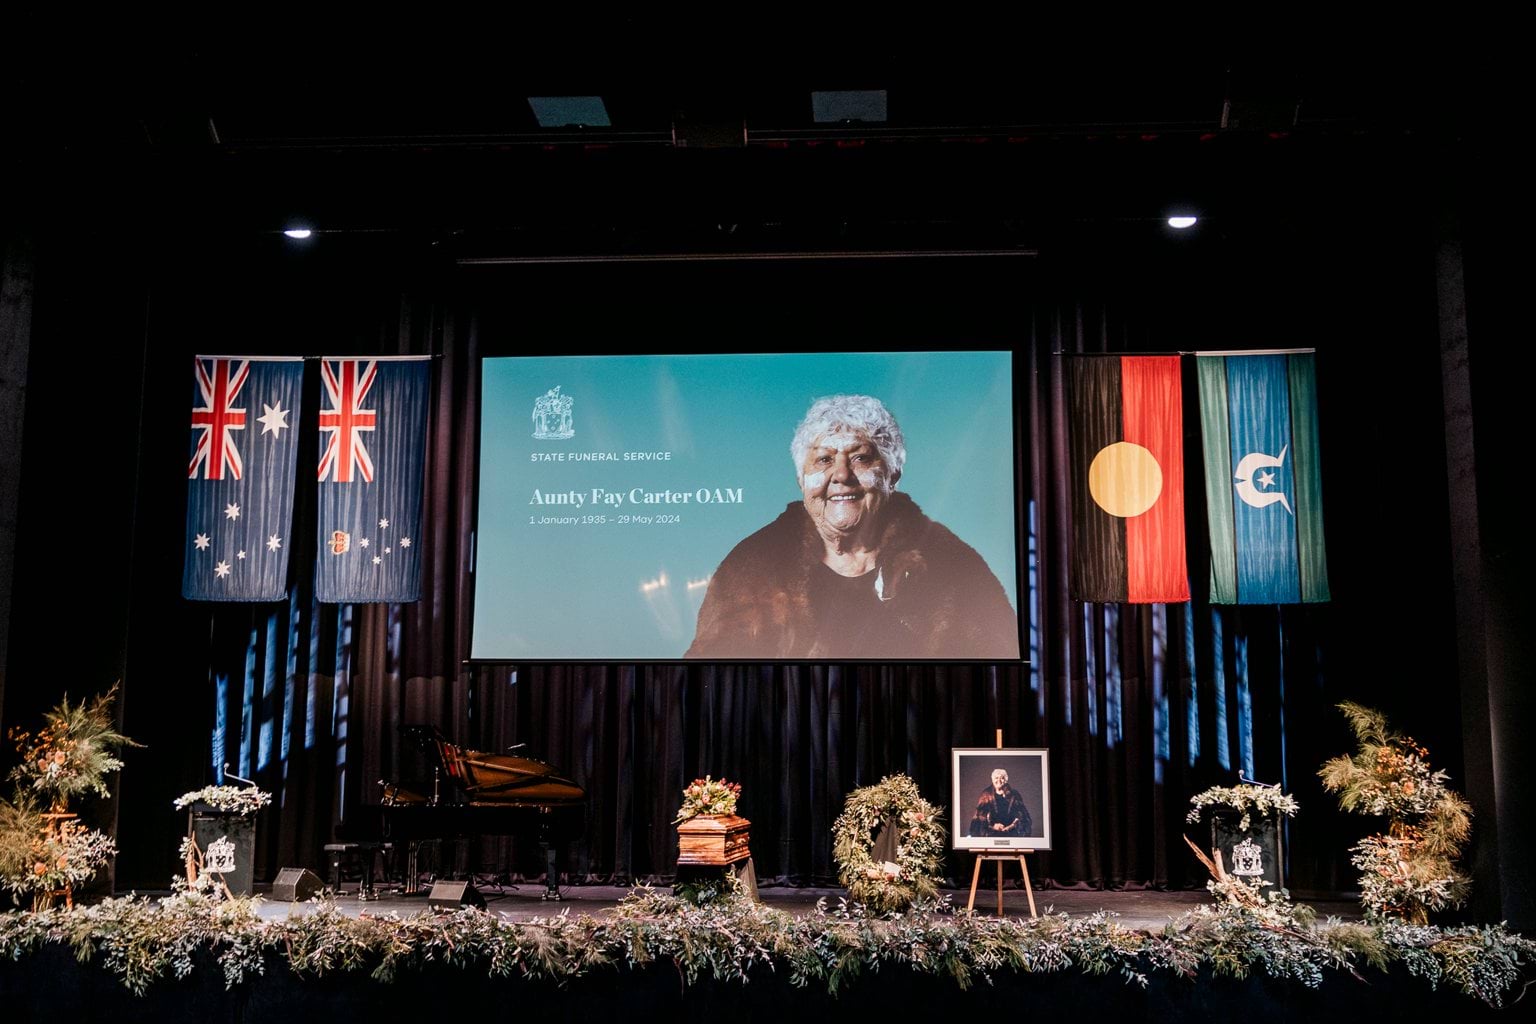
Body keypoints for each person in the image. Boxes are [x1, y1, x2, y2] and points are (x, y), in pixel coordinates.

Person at [684, 394, 1019, 660]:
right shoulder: (752, 568)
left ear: (892, 474)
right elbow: (708, 686)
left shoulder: (952, 563)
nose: (841, 476)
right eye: (824, 460)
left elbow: (998, 671)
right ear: (802, 479)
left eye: (860, 457)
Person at [968, 768, 1032, 837]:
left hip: (1011, 832)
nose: (999, 780)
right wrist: (993, 826)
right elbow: (980, 816)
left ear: (1006, 780)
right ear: (992, 780)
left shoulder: (1014, 794)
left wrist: (1011, 826)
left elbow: (1022, 815)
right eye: (996, 778)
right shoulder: (986, 795)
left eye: (1002, 778)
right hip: (991, 833)